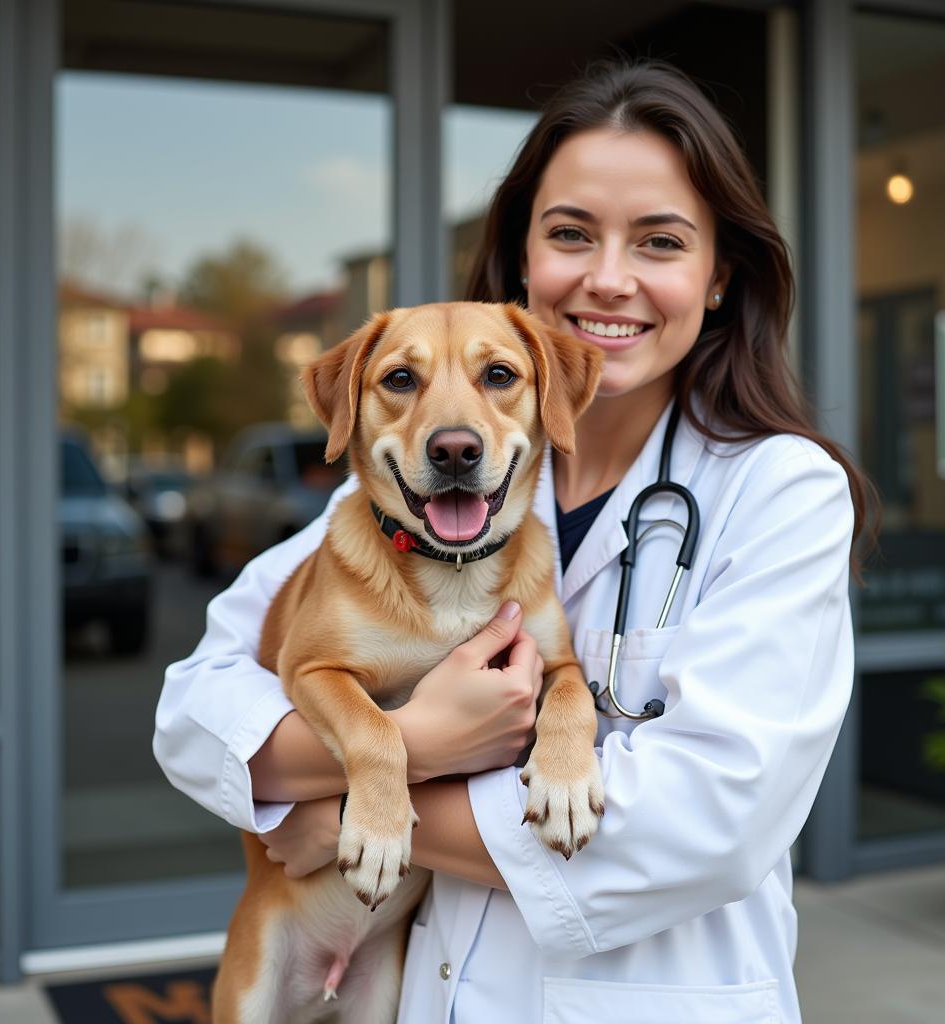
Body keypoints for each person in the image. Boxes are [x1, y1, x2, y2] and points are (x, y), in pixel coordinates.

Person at [154, 59, 872, 1024]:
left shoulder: (779, 492)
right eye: (571, 233)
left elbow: (711, 824)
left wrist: (337, 816)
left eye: (659, 241)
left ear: (716, 279)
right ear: (525, 260)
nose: (608, 279)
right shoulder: (390, 509)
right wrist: (407, 747)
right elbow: (194, 710)